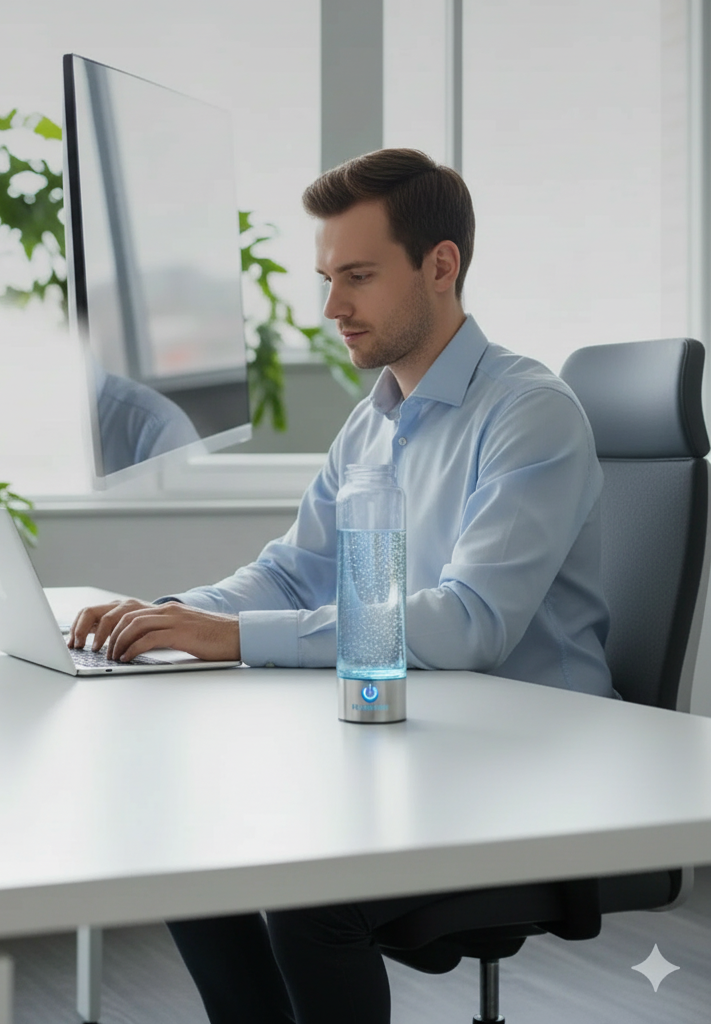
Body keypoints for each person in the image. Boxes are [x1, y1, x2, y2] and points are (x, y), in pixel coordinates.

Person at [67, 148, 612, 1024]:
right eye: (326, 277)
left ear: (442, 265)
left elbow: (469, 624)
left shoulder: (529, 413)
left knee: (310, 885)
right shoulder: (374, 421)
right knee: (189, 842)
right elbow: (292, 567)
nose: (331, 308)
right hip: (423, 745)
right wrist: (179, 615)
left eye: (357, 276)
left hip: (530, 771)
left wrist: (237, 639)